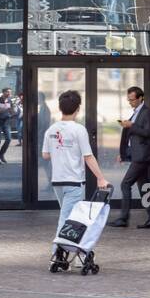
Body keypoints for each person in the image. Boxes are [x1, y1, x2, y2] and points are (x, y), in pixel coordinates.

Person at [42, 89, 108, 268]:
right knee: (68, 220)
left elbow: (46, 155)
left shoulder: (51, 130)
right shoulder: (79, 130)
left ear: (60, 108)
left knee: (68, 217)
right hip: (74, 182)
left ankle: (74, 255)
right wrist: (100, 178)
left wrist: (60, 151)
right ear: (78, 108)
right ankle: (57, 255)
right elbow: (88, 156)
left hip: (57, 181)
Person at [111, 86, 150, 229]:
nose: (130, 102)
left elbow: (148, 132)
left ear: (140, 98)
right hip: (138, 155)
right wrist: (123, 153)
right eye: (128, 100)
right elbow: (133, 136)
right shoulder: (136, 113)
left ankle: (123, 218)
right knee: (145, 187)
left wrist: (131, 125)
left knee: (125, 184)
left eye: (132, 100)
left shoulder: (147, 113)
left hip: (143, 156)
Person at [0, 88, 15, 165]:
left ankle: (1, 155)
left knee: (8, 139)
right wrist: (1, 110)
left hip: (6, 122)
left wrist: (12, 110)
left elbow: (12, 113)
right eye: (8, 92)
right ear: (3, 92)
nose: (9, 94)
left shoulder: (10, 101)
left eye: (10, 92)